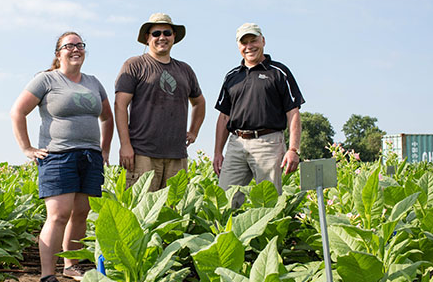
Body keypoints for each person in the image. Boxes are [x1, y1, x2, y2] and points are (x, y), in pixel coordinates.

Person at [10, 31, 113, 282]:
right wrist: (27, 148)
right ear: (58, 53)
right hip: (58, 155)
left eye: (80, 45)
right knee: (58, 215)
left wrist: (104, 150)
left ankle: (71, 265)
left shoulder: (93, 82)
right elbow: (18, 112)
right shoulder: (46, 80)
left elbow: (107, 118)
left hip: (90, 156)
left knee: (81, 214)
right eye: (70, 46)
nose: (76, 49)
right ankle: (47, 277)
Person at [213, 23, 304, 205]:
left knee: (268, 202)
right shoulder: (232, 76)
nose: (249, 46)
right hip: (236, 144)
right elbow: (224, 117)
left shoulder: (279, 72)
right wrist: (217, 151)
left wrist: (293, 149)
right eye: (244, 42)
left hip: (268, 143)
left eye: (253, 40)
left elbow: (293, 112)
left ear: (263, 41)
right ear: (238, 46)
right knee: (224, 201)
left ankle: (270, 233)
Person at [115, 13, 206, 191]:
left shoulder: (185, 70)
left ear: (174, 37)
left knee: (172, 212)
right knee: (141, 210)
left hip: (177, 155)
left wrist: (194, 131)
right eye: (156, 33)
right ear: (147, 38)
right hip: (142, 153)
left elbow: (199, 102)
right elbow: (120, 105)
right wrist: (125, 145)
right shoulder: (134, 65)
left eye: (167, 33)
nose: (162, 37)